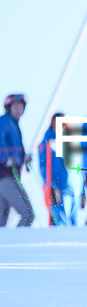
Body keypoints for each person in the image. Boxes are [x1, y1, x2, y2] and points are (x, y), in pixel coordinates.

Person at [38, 112, 84, 226]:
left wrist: (82, 190)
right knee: (60, 221)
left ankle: (74, 242)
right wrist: (50, 186)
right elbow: (43, 166)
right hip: (59, 188)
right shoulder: (48, 141)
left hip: (75, 188)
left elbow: (78, 167)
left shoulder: (72, 141)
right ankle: (59, 241)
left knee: (74, 222)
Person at [0, 94, 35, 227]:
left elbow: (13, 147)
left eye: (21, 107)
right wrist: (6, 158)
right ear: (8, 108)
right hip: (6, 176)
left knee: (1, 220)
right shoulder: (5, 121)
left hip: (6, 176)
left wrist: (23, 157)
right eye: (15, 107)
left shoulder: (13, 125)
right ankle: (19, 244)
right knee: (28, 214)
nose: (18, 109)